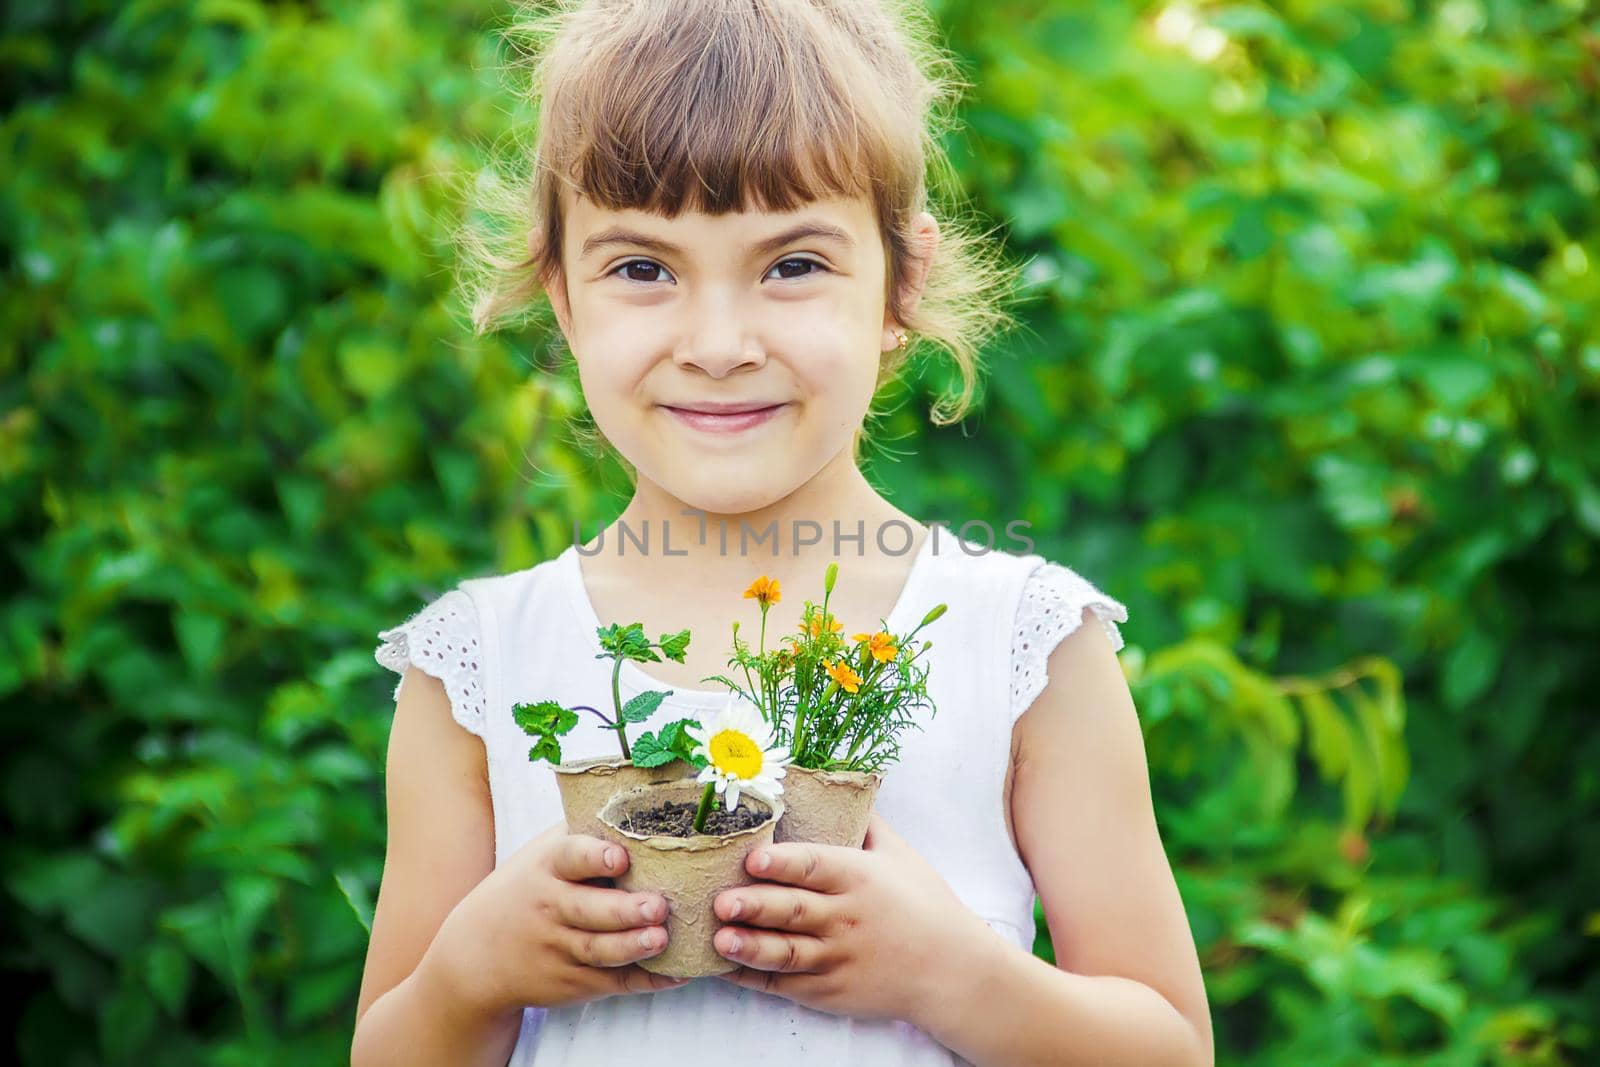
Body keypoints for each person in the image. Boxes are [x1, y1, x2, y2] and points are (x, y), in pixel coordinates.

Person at [352, 1, 1213, 1064]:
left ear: (898, 282)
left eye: (792, 264)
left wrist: (954, 975)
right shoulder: (477, 665)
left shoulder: (1021, 643)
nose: (718, 343)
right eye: (643, 268)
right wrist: (467, 972)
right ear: (561, 291)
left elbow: (1170, 1045)